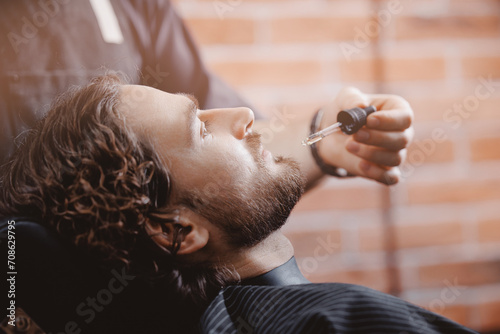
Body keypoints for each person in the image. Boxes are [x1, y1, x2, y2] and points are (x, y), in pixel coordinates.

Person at [0, 75, 476, 333]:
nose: (244, 115)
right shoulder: (331, 321)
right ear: (177, 231)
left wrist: (322, 148)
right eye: (201, 128)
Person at [0, 0, 412, 187]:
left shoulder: (133, 7)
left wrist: (324, 138)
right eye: (197, 123)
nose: (242, 115)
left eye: (197, 118)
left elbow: (230, 140)